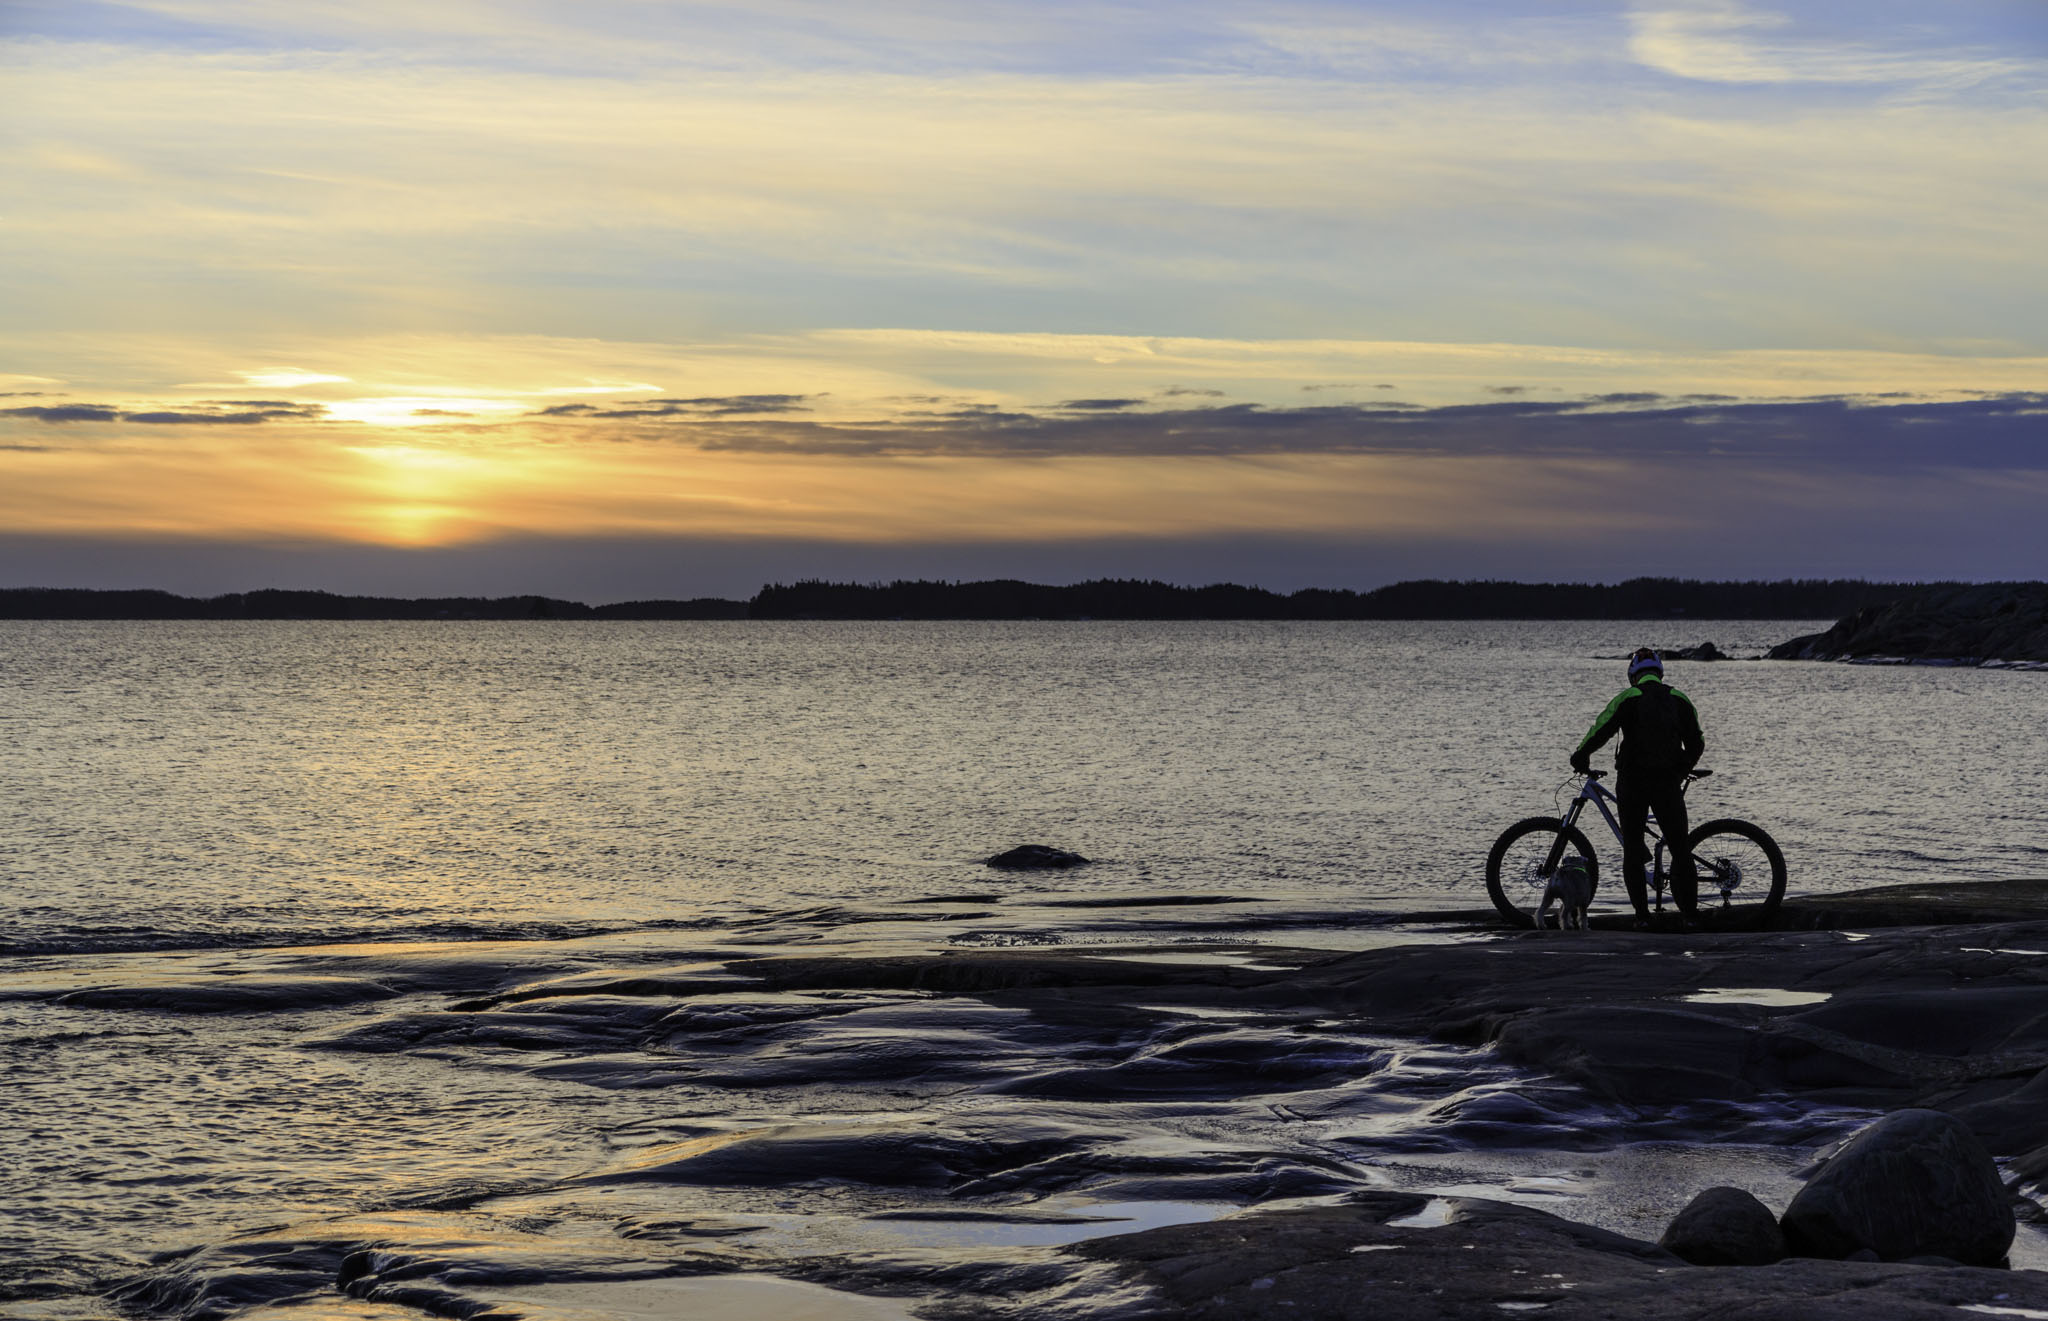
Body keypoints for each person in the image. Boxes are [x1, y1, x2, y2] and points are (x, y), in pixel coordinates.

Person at [1571, 647, 1705, 927]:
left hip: (1633, 781)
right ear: (1659, 673)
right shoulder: (1679, 698)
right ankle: (1690, 918)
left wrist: (1581, 755)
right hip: (1667, 781)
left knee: (1633, 849)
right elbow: (1697, 743)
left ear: (1633, 675)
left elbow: (1601, 728)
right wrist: (1680, 770)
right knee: (1680, 849)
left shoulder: (1628, 697)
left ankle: (1642, 918)